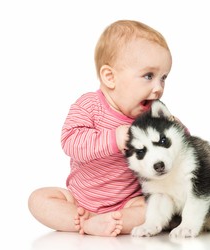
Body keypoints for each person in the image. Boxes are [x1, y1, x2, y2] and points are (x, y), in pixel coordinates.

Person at [28, 20, 178, 237]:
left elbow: (180, 145)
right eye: (148, 76)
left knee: (154, 208)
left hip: (128, 203)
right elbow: (70, 142)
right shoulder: (89, 105)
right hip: (80, 200)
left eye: (163, 78)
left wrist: (175, 129)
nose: (158, 88)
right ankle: (85, 222)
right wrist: (113, 139)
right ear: (110, 77)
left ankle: (112, 222)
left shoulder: (151, 115)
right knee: (38, 200)